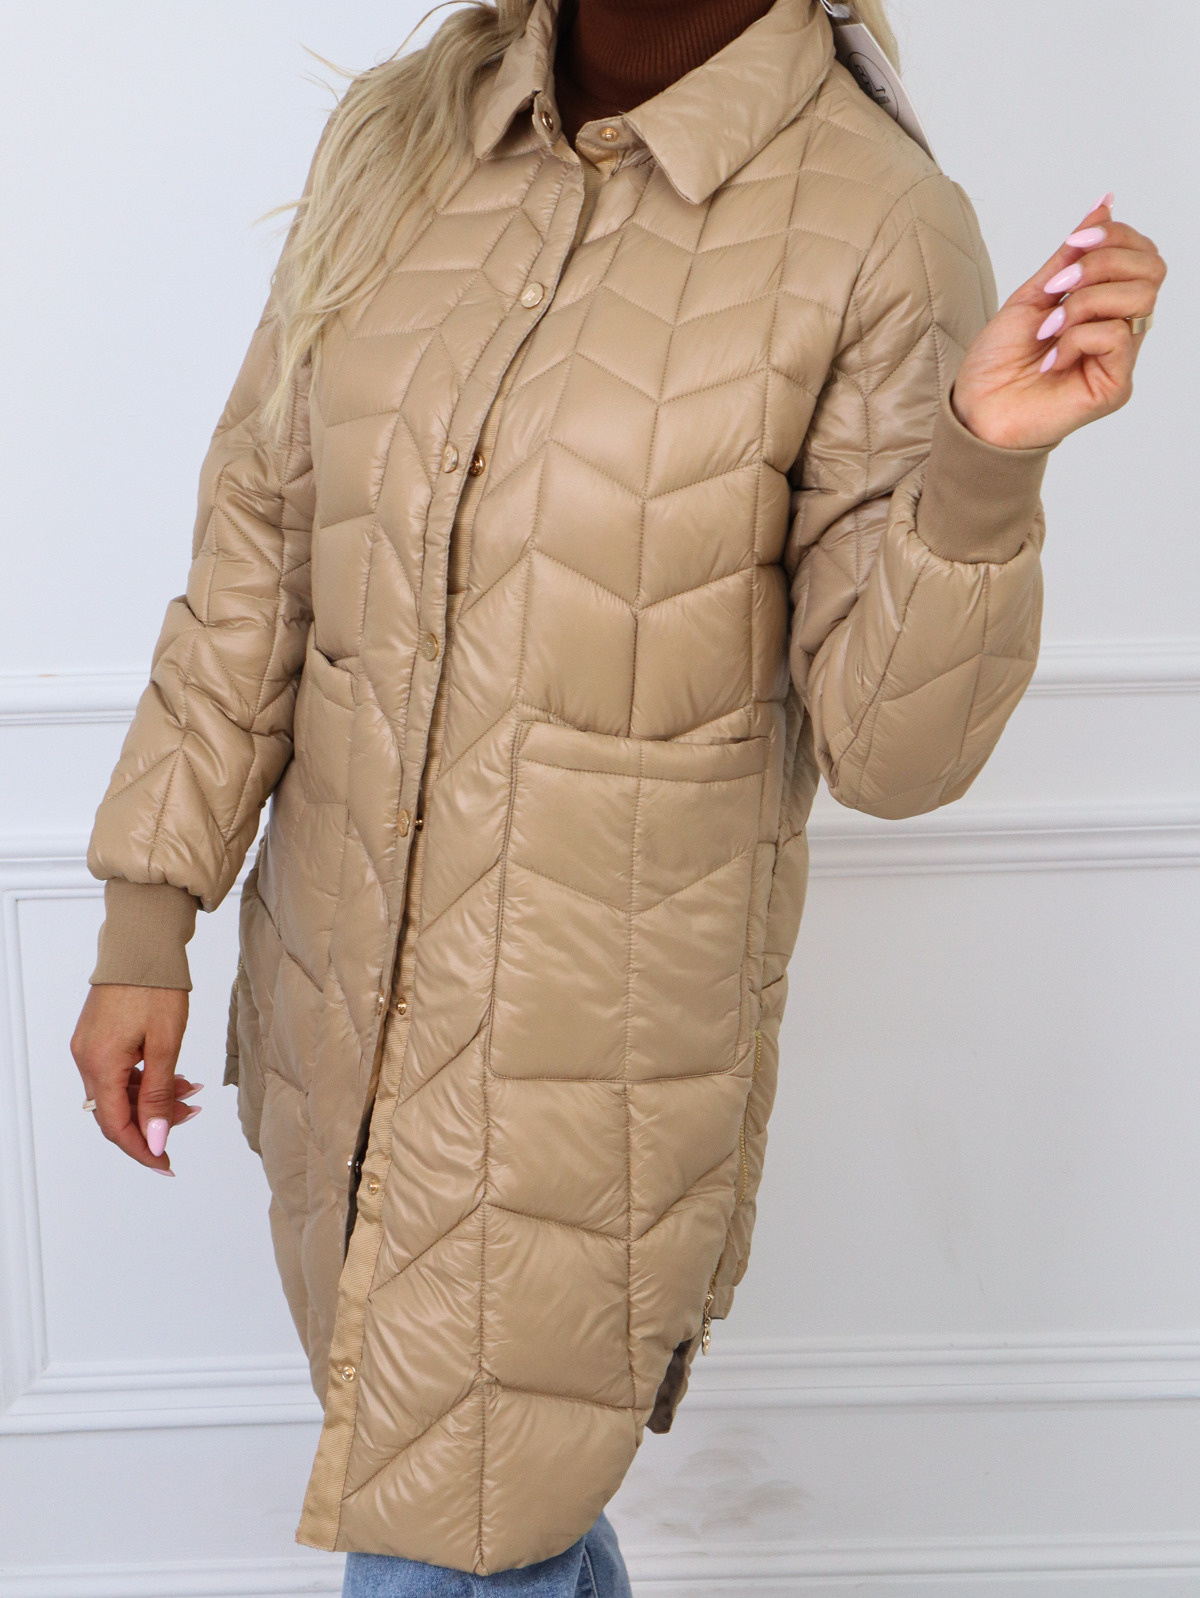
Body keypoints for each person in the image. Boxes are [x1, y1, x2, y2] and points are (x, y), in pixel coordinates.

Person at [70, 0, 1166, 1593]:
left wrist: (983, 468)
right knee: (495, 1521)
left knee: (453, 1526)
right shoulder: (409, 136)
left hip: (585, 1093)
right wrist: (147, 914)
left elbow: (895, 749)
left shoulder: (876, 219)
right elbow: (259, 555)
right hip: (332, 1028)